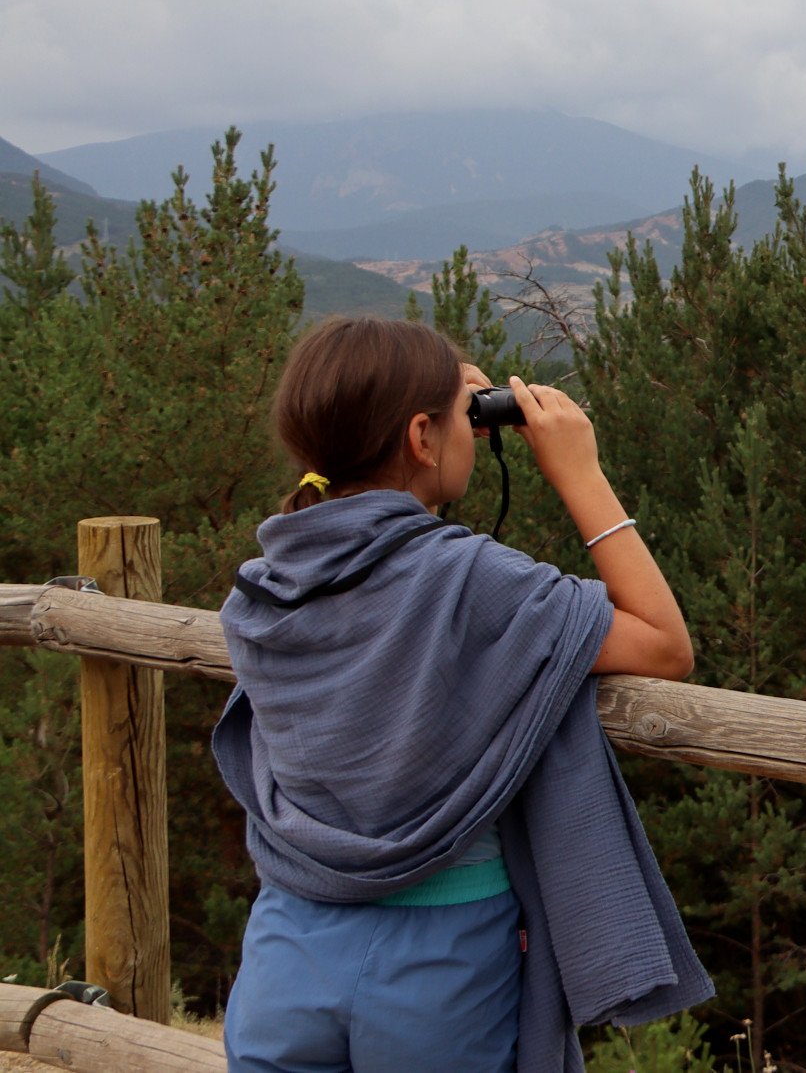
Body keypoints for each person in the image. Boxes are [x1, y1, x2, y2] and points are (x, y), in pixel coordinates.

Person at [214, 316, 713, 1073]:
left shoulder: (269, 578)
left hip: (290, 944)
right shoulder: (469, 580)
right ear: (422, 436)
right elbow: (663, 641)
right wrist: (579, 471)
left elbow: (379, 569)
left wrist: (432, 402)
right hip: (442, 960)